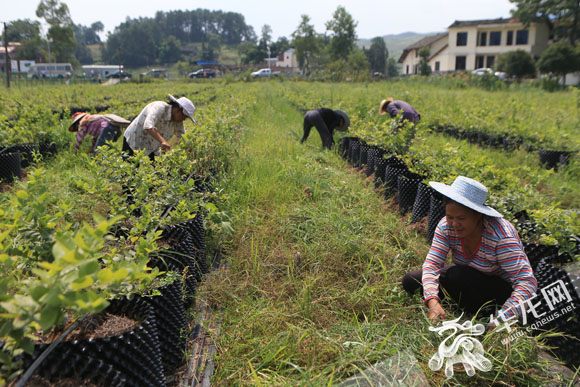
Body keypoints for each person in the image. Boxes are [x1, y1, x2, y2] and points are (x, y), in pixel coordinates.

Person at [401, 176, 537, 324]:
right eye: (450, 216)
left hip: (497, 290)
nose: (454, 223)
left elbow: (526, 282)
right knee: (411, 281)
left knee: (458, 275)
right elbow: (432, 265)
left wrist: (503, 318)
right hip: (464, 279)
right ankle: (451, 306)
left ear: (478, 215)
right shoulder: (446, 227)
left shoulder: (500, 237)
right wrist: (432, 301)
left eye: (461, 218)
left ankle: (489, 313)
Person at [123, 94, 196, 161]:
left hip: (152, 146)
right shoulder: (159, 107)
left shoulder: (177, 121)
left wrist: (190, 150)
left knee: (157, 169)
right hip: (134, 140)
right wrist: (163, 141)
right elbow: (148, 126)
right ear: (178, 110)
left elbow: (182, 136)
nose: (184, 119)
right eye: (184, 116)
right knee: (132, 168)